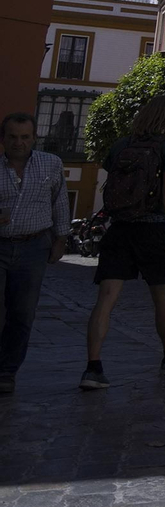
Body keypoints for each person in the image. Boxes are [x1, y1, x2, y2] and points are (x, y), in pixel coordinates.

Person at [82, 95, 165, 389]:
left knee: (106, 298)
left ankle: (93, 368)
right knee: (162, 296)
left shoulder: (121, 145)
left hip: (120, 227)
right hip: (154, 228)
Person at [1, 113, 70, 394]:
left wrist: (61, 239)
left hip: (33, 247)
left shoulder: (51, 164)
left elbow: (60, 202)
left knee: (22, 313)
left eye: (24, 137)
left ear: (34, 138)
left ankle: (7, 371)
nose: (18, 142)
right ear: (3, 139)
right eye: (13, 137)